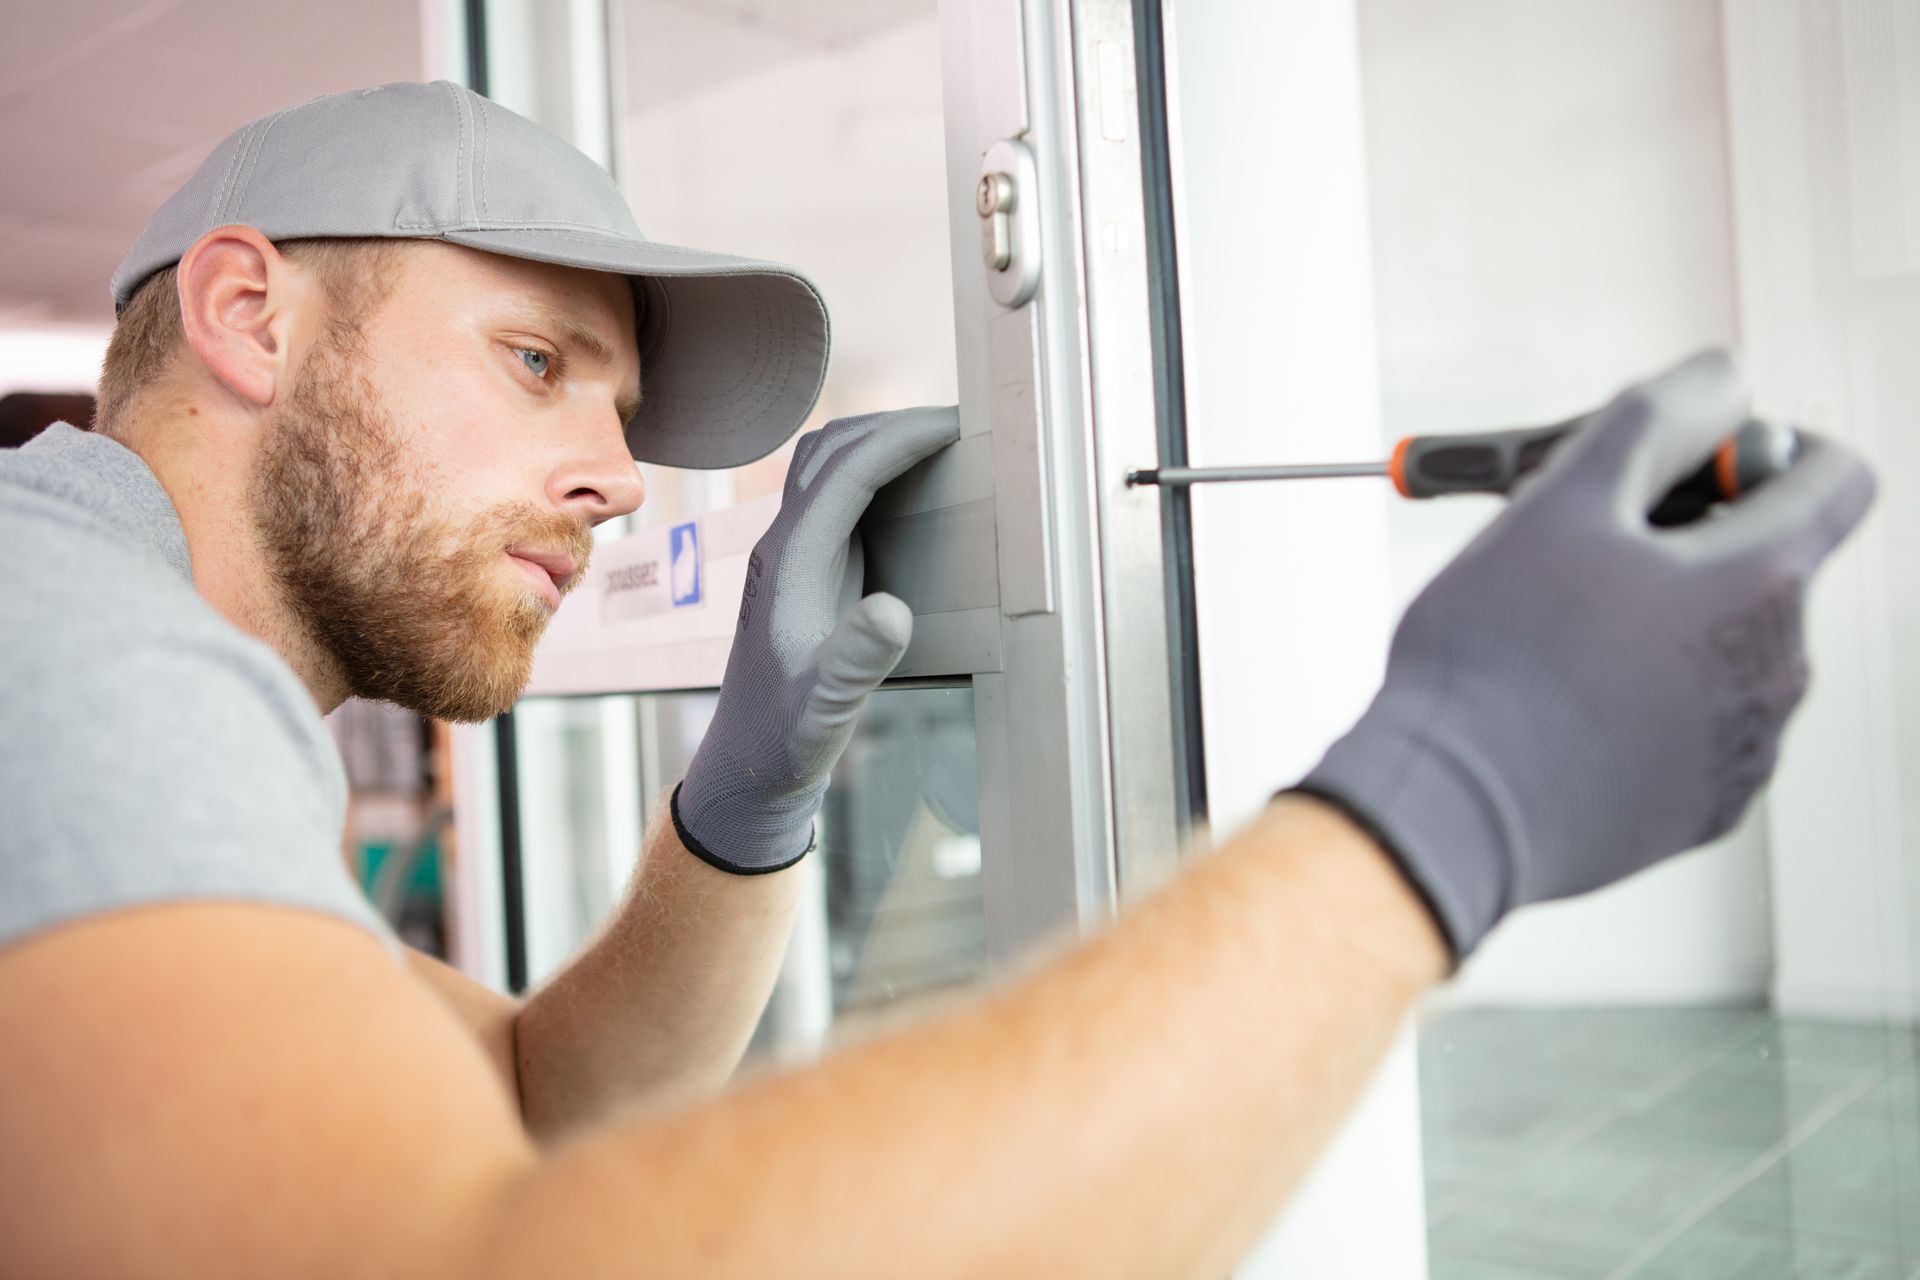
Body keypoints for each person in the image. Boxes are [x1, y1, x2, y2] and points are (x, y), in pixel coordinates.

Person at [0, 81, 1874, 1277]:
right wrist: (1445, 804)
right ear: (248, 314)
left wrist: (743, 815)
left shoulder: (120, 644)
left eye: (622, 406)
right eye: (536, 362)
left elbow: (522, 1100)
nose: (617, 473)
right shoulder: (67, 636)